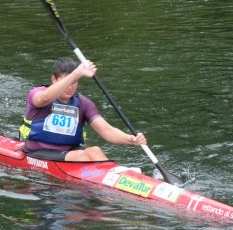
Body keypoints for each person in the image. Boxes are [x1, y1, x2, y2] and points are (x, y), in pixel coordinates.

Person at [19, 57, 147, 161]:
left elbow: (107, 130)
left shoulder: (83, 103)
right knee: (82, 156)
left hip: (70, 151)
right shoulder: (37, 93)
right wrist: (77, 73)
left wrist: (130, 139)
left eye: (74, 82)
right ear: (54, 79)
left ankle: (117, 178)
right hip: (38, 151)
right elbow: (45, 98)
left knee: (95, 150)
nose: (70, 87)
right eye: (67, 81)